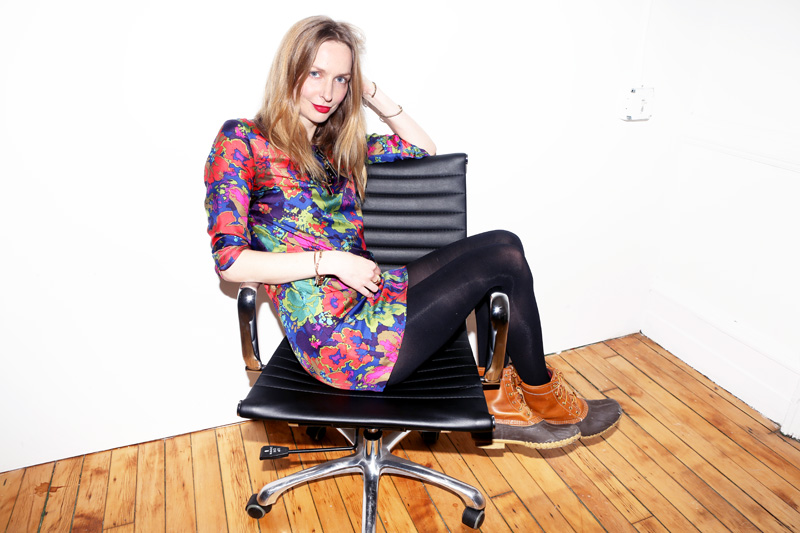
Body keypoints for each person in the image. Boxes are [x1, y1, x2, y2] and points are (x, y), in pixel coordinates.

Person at [204, 16, 620, 449]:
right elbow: (231, 262)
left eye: (341, 79)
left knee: (504, 243)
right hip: (339, 341)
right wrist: (332, 262)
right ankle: (535, 396)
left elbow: (424, 147)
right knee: (502, 260)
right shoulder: (242, 140)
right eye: (315, 74)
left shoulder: (337, 147)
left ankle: (520, 396)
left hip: (370, 297)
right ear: (289, 70)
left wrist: (369, 90)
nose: (328, 93)